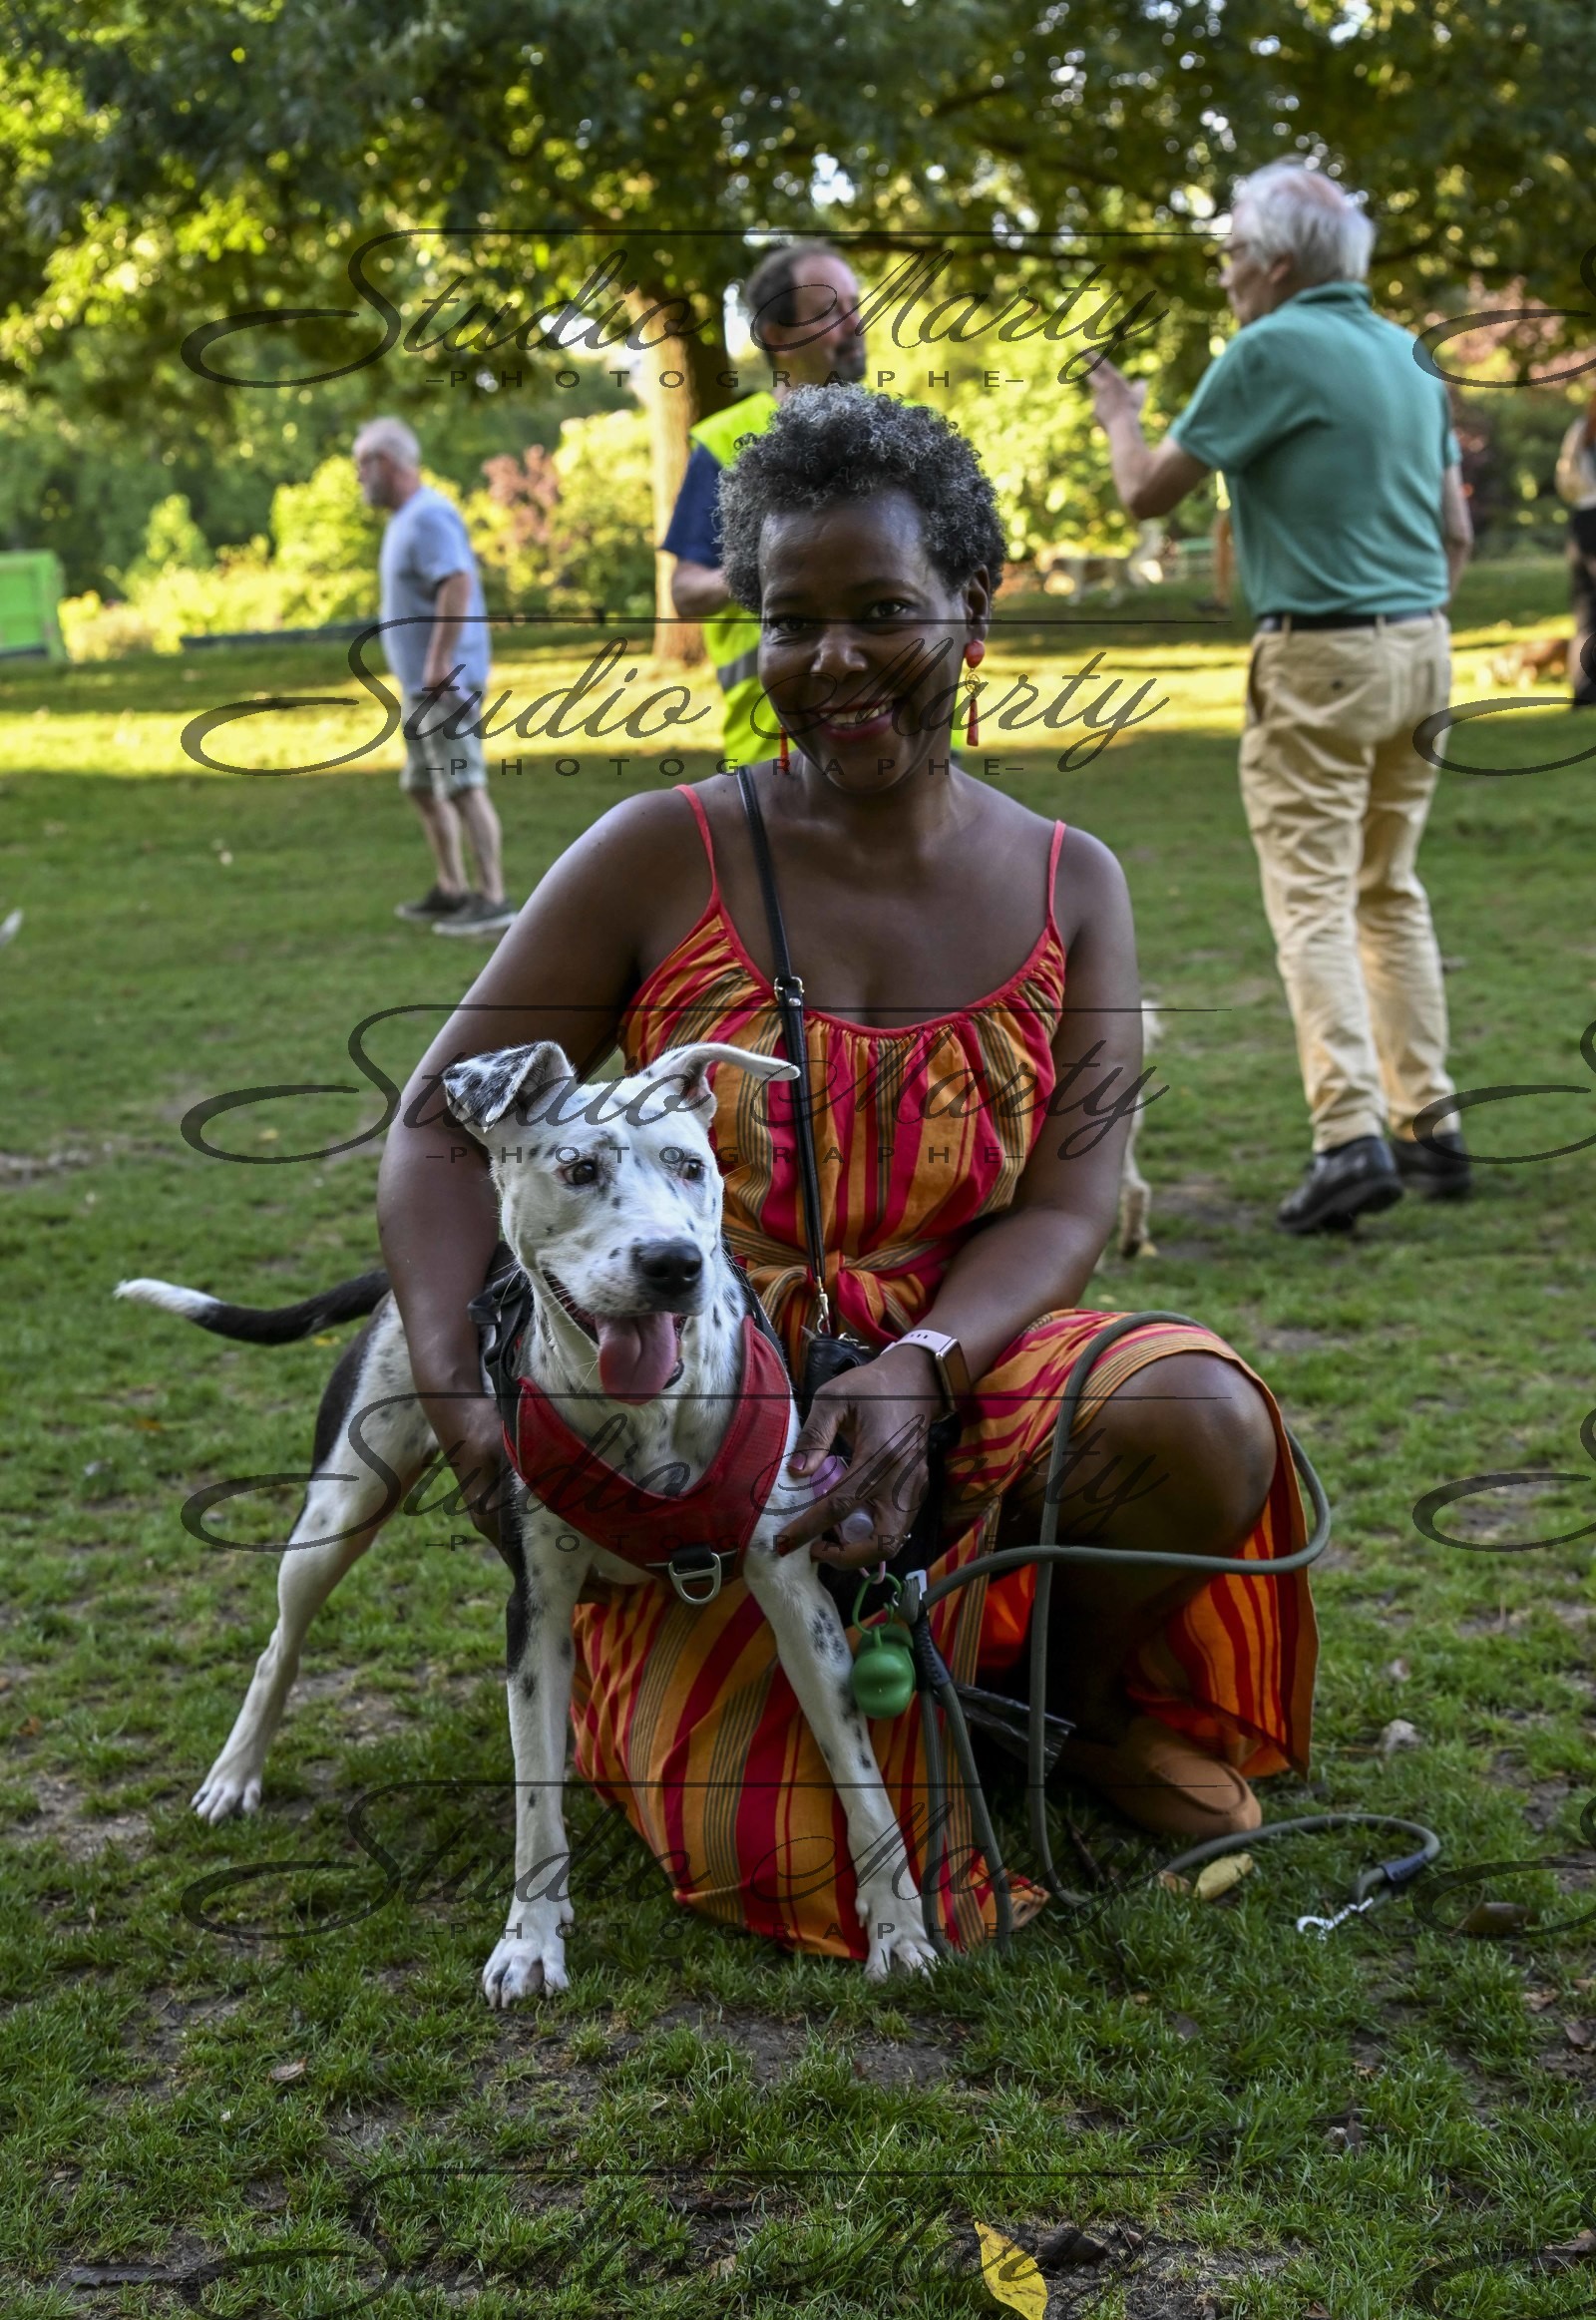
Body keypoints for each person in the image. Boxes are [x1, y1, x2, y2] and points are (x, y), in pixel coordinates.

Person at [377, 387, 1318, 1963]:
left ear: (972, 609)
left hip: (969, 1348)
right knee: (813, 1846)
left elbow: (1073, 1204)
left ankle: (1052, 1716)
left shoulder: (1071, 880)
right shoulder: (654, 854)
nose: (833, 662)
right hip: (697, 1414)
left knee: (1195, 1414)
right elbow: (429, 1131)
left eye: (883, 611)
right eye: (788, 621)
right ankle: (864, 1705)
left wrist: (925, 1364)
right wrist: (468, 1401)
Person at [1087, 163, 1475, 1233]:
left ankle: (1348, 1139)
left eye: (1226, 259)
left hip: (1319, 656)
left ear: (1274, 263)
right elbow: (1457, 534)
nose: (1222, 280)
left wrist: (1120, 413)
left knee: (1311, 899)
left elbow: (1145, 492)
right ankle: (1429, 1127)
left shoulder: (1269, 349)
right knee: (1387, 890)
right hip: (1424, 649)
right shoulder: (1408, 353)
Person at [662, 244, 868, 765]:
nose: (855, 324)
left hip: (910, 738)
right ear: (778, 336)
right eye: (831, 311)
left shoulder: (910, 428)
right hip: (776, 751)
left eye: (856, 305)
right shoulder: (727, 441)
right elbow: (687, 592)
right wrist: (778, 564)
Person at [353, 416, 516, 937]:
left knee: (464, 785)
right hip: (419, 685)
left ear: (386, 462)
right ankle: (452, 888)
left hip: (444, 681)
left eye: (362, 465)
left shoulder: (428, 516)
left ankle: (493, 899)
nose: (359, 477)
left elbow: (458, 581)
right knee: (424, 787)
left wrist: (440, 659)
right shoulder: (405, 518)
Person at [1555, 394, 1596, 707]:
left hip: (1581, 521)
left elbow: (1565, 482)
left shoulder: (1581, 430)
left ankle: (1584, 690)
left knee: (1586, 610)